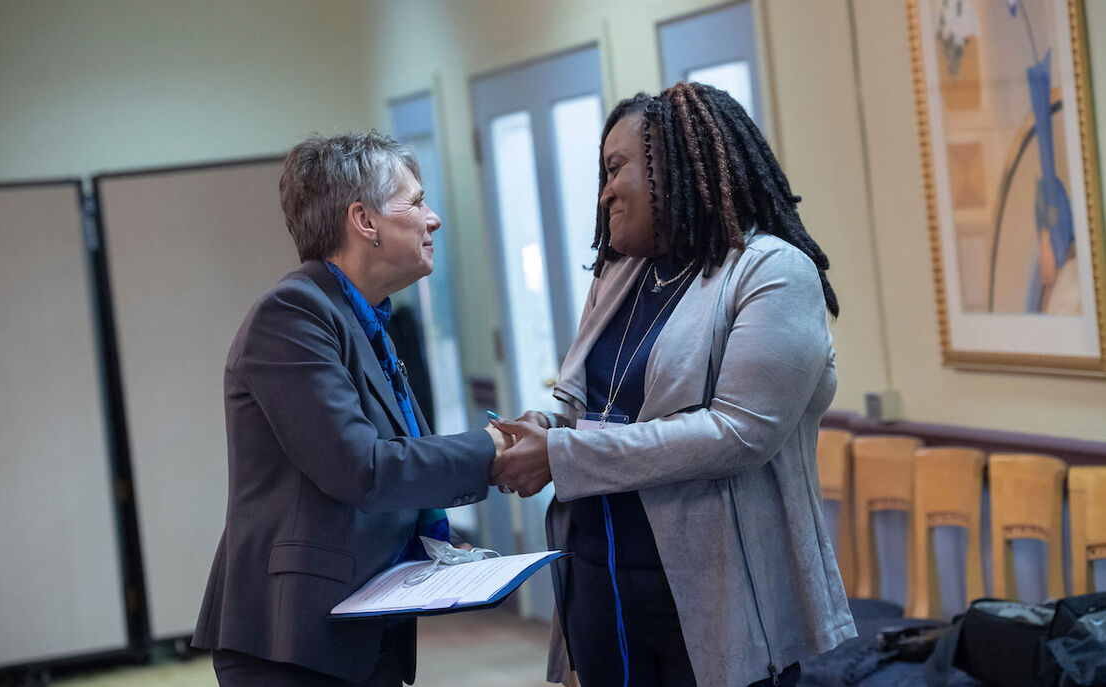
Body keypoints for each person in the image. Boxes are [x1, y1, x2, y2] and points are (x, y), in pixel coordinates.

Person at [490, 83, 856, 687]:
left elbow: (736, 434)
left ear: (676, 166)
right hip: (598, 574)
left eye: (615, 168)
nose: (604, 190)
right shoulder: (617, 273)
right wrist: (548, 426)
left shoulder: (771, 270)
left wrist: (561, 453)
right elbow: (585, 400)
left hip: (713, 592)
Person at [192, 131, 507, 687]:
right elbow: (360, 467)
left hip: (358, 620)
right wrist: (497, 451)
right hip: (291, 639)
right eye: (415, 202)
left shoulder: (366, 319)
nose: (432, 219)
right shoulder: (292, 315)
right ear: (364, 221)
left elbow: (400, 456)